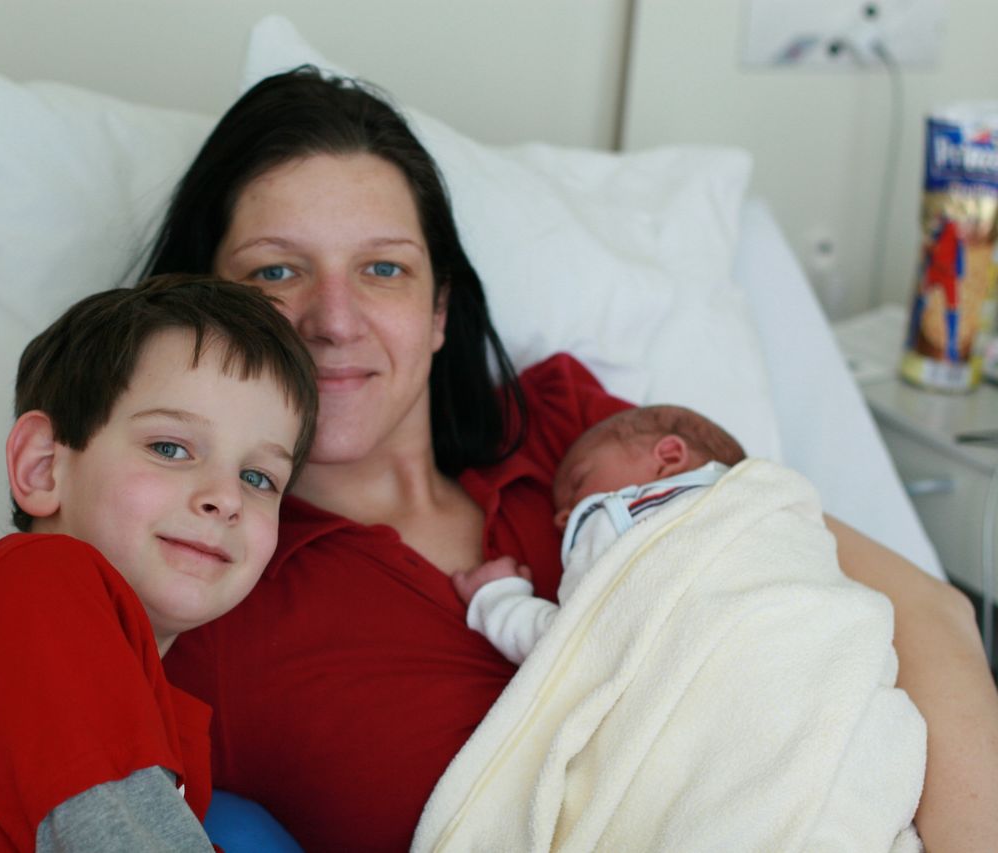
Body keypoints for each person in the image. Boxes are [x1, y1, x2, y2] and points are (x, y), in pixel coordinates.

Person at [148, 67, 998, 852]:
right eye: (276, 272)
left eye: (383, 268)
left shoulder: (583, 440)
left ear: (439, 309)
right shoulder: (205, 597)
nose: (334, 320)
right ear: (202, 306)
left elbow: (923, 613)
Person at [0, 275, 318, 852]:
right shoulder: (36, 582)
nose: (225, 497)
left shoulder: (163, 719)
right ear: (43, 467)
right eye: (170, 448)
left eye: (258, 478)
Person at [453, 405, 746, 665]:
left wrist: (497, 599)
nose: (561, 518)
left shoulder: (616, 517)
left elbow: (573, 645)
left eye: (578, 481)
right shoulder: (752, 498)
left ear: (668, 457)